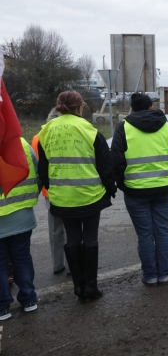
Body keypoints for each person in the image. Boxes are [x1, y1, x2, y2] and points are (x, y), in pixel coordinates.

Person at [38, 91, 116, 301]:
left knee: (72, 240)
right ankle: (91, 287)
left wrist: (51, 188)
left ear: (58, 106)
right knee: (90, 239)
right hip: (90, 195)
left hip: (62, 197)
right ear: (80, 108)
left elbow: (43, 169)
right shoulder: (88, 129)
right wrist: (111, 188)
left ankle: (78, 288)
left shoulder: (46, 131)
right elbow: (105, 164)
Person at [112, 93, 168, 284]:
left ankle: (150, 276)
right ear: (151, 107)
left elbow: (116, 161)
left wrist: (123, 184)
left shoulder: (124, 127)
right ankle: (164, 274)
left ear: (132, 109)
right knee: (162, 231)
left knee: (145, 234)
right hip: (163, 189)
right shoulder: (167, 125)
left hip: (135, 190)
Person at [0, 137, 40, 320]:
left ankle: (3, 306)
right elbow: (38, 174)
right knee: (22, 257)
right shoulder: (22, 144)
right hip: (22, 214)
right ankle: (29, 299)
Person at [31, 107, 69, 275]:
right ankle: (71, 265)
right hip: (71, 187)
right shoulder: (68, 136)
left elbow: (38, 167)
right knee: (72, 229)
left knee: (55, 230)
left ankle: (57, 264)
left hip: (50, 190)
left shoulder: (38, 138)